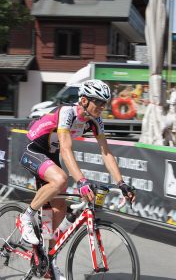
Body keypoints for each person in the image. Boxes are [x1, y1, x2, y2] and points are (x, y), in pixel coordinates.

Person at [17, 79, 136, 278]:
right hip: (32, 148)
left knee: (58, 208)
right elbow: (65, 148)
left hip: (50, 154)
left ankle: (48, 260)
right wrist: (81, 181)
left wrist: (121, 183)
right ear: (83, 100)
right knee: (61, 179)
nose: (102, 107)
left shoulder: (95, 121)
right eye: (98, 102)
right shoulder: (67, 113)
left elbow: (106, 152)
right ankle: (26, 217)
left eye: (104, 103)